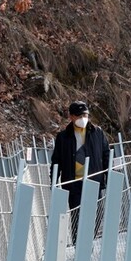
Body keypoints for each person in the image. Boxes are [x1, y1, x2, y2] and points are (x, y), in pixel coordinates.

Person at [50, 101, 110, 244]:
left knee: (96, 215)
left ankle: (89, 241)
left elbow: (106, 154)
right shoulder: (63, 137)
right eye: (79, 115)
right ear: (71, 117)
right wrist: (53, 181)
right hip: (73, 183)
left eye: (86, 115)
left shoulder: (97, 132)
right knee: (77, 215)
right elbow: (56, 160)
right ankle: (79, 246)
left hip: (94, 181)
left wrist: (109, 175)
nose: (83, 118)